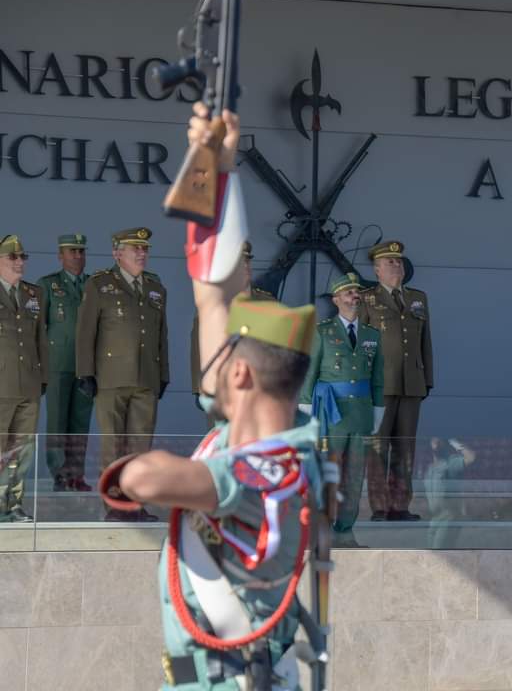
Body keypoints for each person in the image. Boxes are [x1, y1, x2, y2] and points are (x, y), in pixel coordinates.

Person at [100, 103, 329, 689]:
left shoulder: (270, 470)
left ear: (243, 378)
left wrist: (143, 468)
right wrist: (217, 168)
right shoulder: (254, 433)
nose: (212, 361)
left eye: (224, 358)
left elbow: (144, 480)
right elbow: (213, 295)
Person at [76, 226, 168, 521]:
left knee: (140, 448)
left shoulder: (155, 288)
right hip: (110, 378)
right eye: (134, 248)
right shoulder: (99, 285)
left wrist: (163, 373)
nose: (142, 253)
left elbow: (161, 336)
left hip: (146, 380)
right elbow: (85, 332)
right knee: (113, 447)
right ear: (117, 253)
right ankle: (115, 507)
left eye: (144, 249)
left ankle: (136, 504)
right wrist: (85, 373)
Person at [299, 271, 384, 534]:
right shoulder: (322, 332)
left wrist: (377, 413)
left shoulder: (373, 334)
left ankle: (346, 527)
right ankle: (322, 523)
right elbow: (309, 374)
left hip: (361, 413)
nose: (355, 296)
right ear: (336, 299)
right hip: (330, 413)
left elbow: (378, 379)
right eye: (348, 292)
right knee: (328, 470)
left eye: (357, 291)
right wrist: (307, 414)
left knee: (356, 474)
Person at [358, 240, 432, 521]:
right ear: (377, 270)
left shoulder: (418, 298)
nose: (396, 265)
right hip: (379, 385)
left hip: (411, 383)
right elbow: (363, 344)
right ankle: (380, 506)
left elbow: (426, 342)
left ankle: (400, 505)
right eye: (389, 262)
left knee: (405, 446)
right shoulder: (368, 300)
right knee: (378, 446)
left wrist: (427, 379)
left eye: (399, 261)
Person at [190, 241, 275, 420]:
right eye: (238, 263)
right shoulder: (216, 303)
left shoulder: (268, 302)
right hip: (223, 386)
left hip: (260, 385)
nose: (244, 267)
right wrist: (200, 387)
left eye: (247, 261)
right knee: (224, 439)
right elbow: (200, 348)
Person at [38, 233, 93, 492]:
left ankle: (76, 475)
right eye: (72, 251)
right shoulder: (47, 285)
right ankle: (60, 474)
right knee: (57, 421)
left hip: (86, 366)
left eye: (81, 251)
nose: (78, 256)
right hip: (58, 363)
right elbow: (39, 328)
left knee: (81, 423)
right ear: (60, 255)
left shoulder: (94, 285)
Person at [0, 235, 47, 522]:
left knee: (22, 450)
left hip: (29, 385)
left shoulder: (34, 294)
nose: (19, 262)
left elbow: (42, 338)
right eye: (12, 257)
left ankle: (13, 504)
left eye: (22, 257)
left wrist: (43, 379)